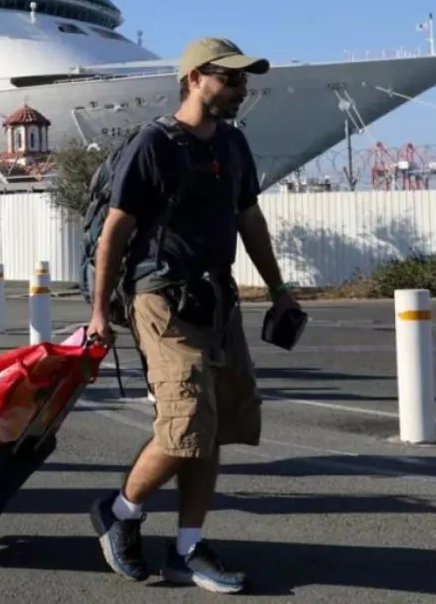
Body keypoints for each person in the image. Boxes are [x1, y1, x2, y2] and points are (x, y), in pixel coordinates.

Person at [87, 37, 302, 594]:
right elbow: (116, 231)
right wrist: (97, 313)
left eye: (244, 80)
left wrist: (278, 290)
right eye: (230, 79)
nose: (241, 89)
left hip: (217, 299)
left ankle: (186, 549)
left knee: (216, 425)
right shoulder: (153, 144)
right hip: (161, 297)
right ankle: (121, 511)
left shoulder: (233, 145)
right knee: (185, 425)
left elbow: (249, 220)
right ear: (195, 78)